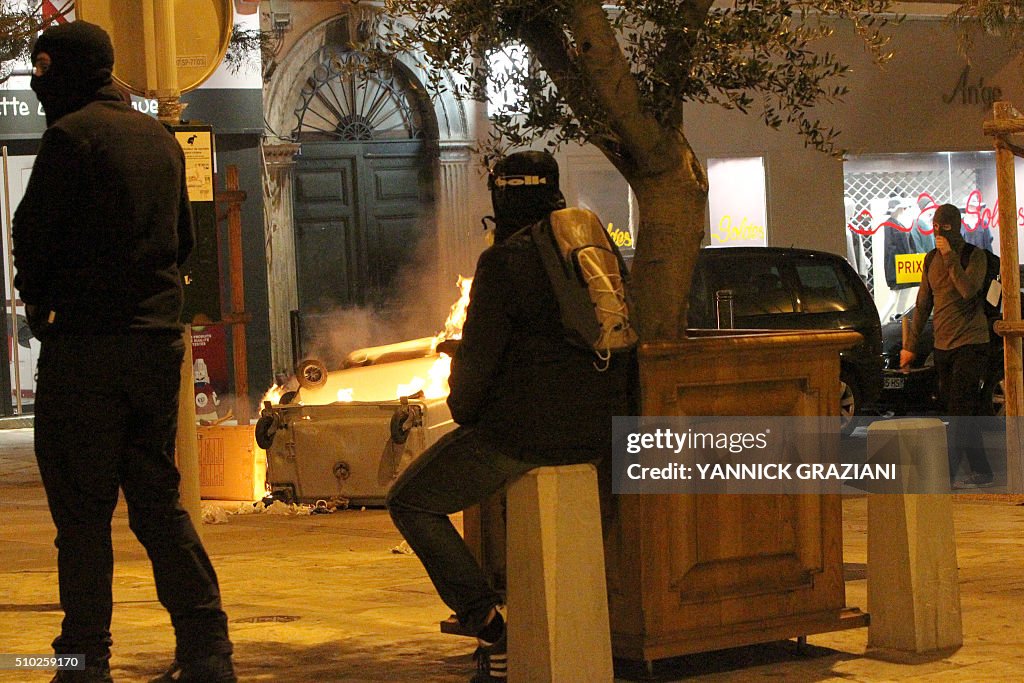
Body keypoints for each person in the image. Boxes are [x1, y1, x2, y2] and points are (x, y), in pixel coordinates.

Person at [12, 21, 235, 682]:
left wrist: (41, 301)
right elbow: (184, 241)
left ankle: (84, 661)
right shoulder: (159, 141)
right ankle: (206, 648)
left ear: (64, 74)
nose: (38, 86)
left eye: (43, 72)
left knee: (82, 516)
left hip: (86, 350)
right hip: (154, 346)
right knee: (157, 499)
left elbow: (34, 237)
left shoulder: (69, 138)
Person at [386, 151, 632, 682]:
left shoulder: (503, 262)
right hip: (601, 431)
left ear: (503, 197)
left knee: (410, 502)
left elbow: (475, 371)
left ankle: (492, 628)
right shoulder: (595, 250)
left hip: (524, 437)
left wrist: (465, 413)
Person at [901, 203, 994, 489]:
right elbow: (922, 304)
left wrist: (950, 256)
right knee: (958, 409)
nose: (939, 233)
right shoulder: (930, 260)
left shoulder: (973, 256)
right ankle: (982, 471)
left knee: (959, 407)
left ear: (956, 227)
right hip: (943, 344)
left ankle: (947, 475)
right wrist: (911, 346)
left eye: (945, 228)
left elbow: (968, 291)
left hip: (972, 341)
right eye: (936, 227)